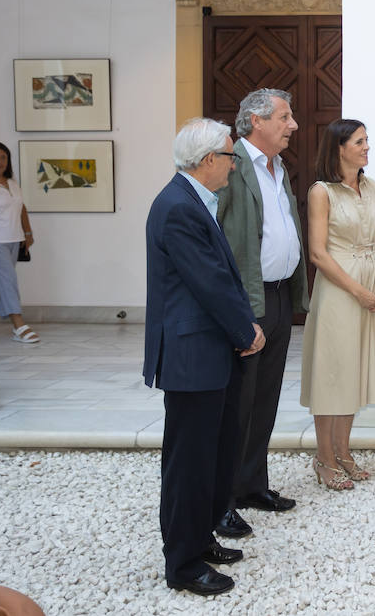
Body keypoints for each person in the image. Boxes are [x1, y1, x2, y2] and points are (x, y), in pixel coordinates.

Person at [144, 118, 265, 597]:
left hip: (209, 350)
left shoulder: (192, 200)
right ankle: (184, 563)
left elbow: (216, 276)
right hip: (194, 353)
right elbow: (209, 281)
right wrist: (246, 330)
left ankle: (201, 537)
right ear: (209, 159)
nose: (234, 168)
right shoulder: (178, 206)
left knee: (213, 453)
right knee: (189, 462)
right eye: (231, 158)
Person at [215, 89, 309, 537]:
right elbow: (216, 237)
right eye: (285, 117)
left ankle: (252, 484)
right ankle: (222, 498)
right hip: (246, 299)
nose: (293, 125)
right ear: (256, 121)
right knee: (237, 404)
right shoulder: (230, 166)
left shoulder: (278, 167)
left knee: (266, 397)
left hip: (277, 298)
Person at [301, 119, 375, 489]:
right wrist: (358, 290)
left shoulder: (373, 187)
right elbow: (318, 253)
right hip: (339, 290)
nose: (367, 147)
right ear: (339, 147)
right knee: (332, 373)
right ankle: (323, 458)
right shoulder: (321, 192)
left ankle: (343, 451)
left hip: (371, 284)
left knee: (353, 370)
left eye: (367, 140)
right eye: (360, 141)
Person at [0, 141, 38, 345]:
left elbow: (21, 208)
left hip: (13, 239)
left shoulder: (12, 183)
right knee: (8, 282)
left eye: (3, 157)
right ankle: (18, 324)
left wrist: (27, 232)